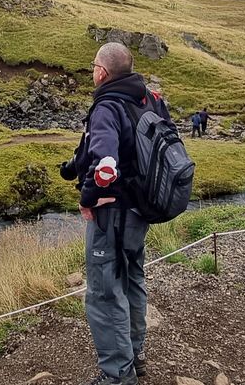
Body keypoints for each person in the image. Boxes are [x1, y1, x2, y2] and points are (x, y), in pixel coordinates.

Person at [69, 42, 176, 385]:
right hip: (142, 208)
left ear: (102, 71)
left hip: (112, 213)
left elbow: (105, 163)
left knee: (104, 290)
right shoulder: (150, 98)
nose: (92, 71)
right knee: (132, 278)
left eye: (93, 66)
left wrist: (88, 199)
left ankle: (118, 374)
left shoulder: (107, 107)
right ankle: (134, 355)